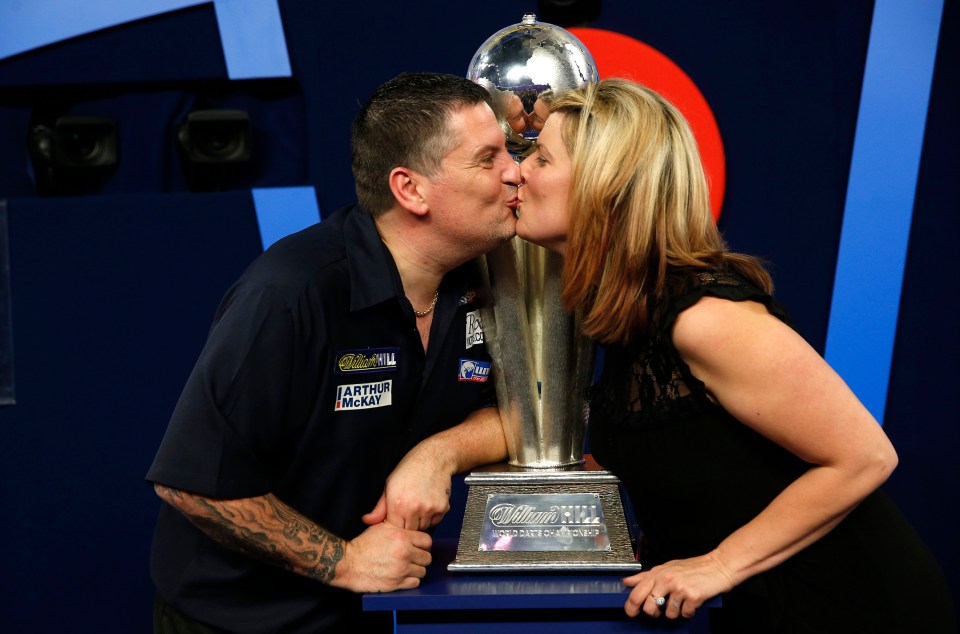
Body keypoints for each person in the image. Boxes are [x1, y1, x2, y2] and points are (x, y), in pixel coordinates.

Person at [514, 77, 956, 633]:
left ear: (607, 187)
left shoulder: (706, 319)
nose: (518, 171)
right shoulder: (627, 316)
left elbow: (865, 458)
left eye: (542, 159)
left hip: (846, 606)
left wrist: (718, 564)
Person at [146, 71, 519, 633]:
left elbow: (527, 412)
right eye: (487, 159)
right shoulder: (291, 292)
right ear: (410, 189)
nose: (515, 172)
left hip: (374, 609)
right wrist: (345, 561)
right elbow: (192, 483)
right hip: (240, 620)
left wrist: (438, 453)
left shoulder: (485, 281)